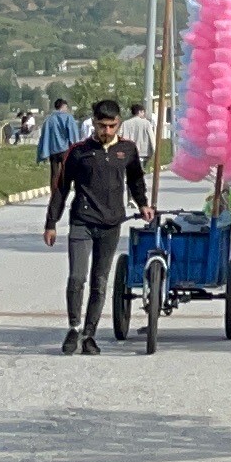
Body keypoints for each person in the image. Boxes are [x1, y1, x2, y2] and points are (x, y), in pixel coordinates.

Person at [41, 98, 149, 355]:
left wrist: (143, 204)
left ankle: (90, 334)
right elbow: (61, 189)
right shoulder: (78, 151)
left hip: (111, 224)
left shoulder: (128, 150)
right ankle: (74, 328)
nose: (107, 131)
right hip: (82, 222)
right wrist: (51, 223)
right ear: (94, 124)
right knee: (77, 278)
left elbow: (135, 180)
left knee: (100, 281)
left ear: (118, 124)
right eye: (102, 126)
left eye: (112, 126)